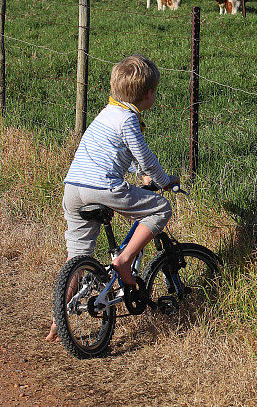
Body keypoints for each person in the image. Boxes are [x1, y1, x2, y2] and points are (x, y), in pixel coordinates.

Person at [46, 54, 178, 341]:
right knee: (160, 208)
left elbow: (115, 152)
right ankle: (125, 260)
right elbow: (143, 154)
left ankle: (60, 316)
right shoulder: (129, 119)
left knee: (78, 256)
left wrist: (137, 172)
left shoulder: (106, 113)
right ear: (149, 94)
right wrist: (163, 181)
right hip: (102, 187)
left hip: (73, 188)